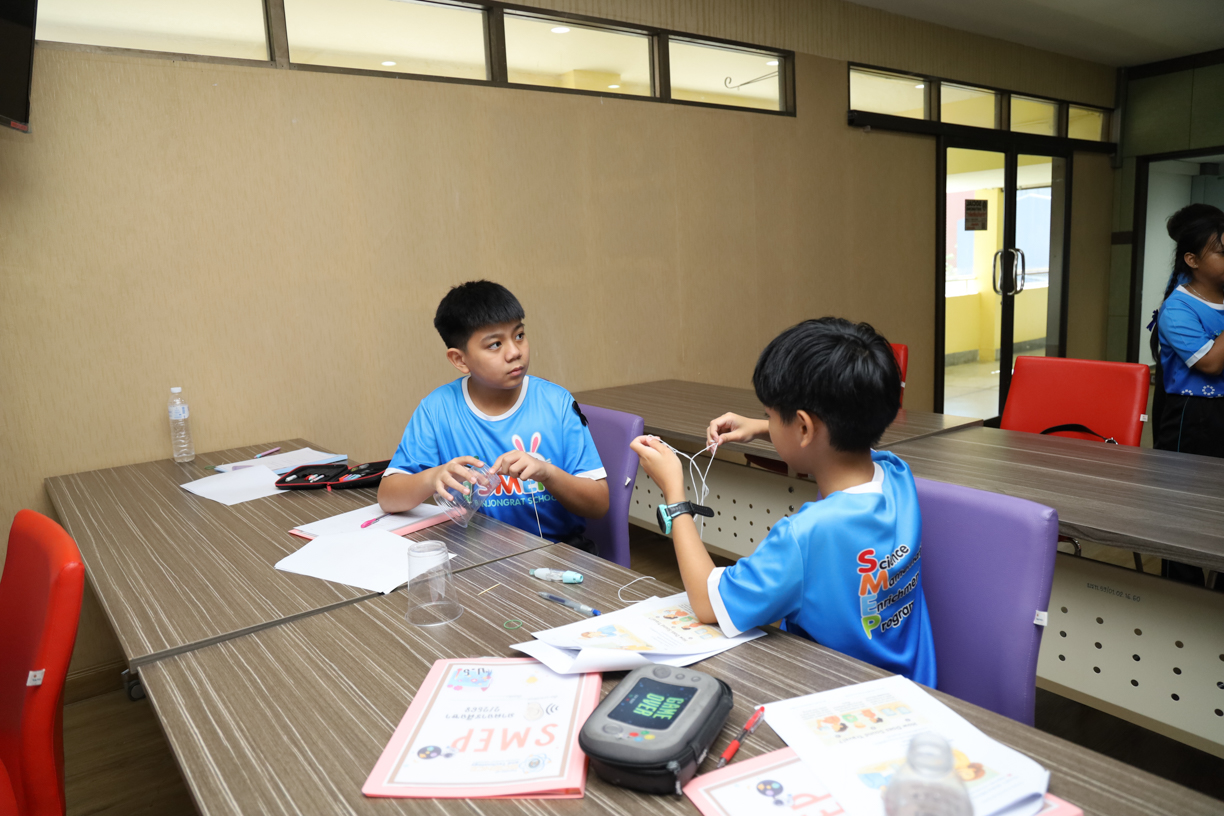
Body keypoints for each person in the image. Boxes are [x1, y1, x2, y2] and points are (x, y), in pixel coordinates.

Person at [630, 317, 936, 685]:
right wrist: (764, 428)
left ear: (804, 427)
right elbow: (835, 444)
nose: (766, 422)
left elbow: (708, 603)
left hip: (840, 698)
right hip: (915, 690)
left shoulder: (803, 536)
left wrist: (674, 492)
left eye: (770, 416)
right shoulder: (897, 475)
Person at [378, 281, 609, 549]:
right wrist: (433, 477)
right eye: (495, 344)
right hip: (476, 555)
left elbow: (599, 504)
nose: (515, 352)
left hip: (557, 553)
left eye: (519, 335)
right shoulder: (437, 409)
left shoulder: (557, 403)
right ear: (460, 360)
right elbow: (388, 498)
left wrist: (548, 473)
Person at [1150, 203, 1224, 586]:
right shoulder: (1178, 307)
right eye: (1222, 251)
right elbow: (1211, 363)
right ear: (1192, 259)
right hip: (1192, 418)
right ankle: (1180, 598)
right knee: (1182, 515)